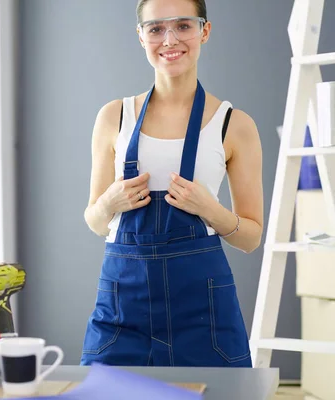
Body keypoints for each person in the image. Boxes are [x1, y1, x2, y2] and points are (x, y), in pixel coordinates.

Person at [80, 0, 263, 368]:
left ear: (204, 31)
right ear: (141, 36)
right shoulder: (114, 116)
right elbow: (96, 223)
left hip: (203, 312)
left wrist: (211, 211)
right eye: (155, 28)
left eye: (183, 26)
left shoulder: (235, 124)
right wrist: (109, 203)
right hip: (122, 310)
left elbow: (251, 238)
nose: (169, 39)